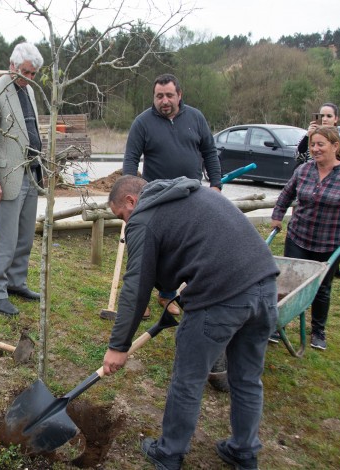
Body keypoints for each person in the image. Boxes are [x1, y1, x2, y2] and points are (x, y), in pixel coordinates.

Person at [102, 175, 279, 470]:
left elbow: (136, 287)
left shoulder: (144, 217)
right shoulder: (189, 193)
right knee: (246, 378)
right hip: (265, 285)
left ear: (131, 201)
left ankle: (169, 453)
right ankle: (244, 451)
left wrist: (118, 346)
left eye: (121, 215)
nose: (125, 224)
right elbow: (205, 246)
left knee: (188, 379)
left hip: (222, 295)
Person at [271, 126, 340, 351]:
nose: (315, 149)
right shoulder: (304, 170)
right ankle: (278, 324)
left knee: (321, 288)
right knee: (291, 284)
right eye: (312, 145)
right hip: (298, 237)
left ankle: (318, 331)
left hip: (330, 243)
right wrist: (277, 216)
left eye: (320, 144)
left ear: (335, 146)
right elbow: (286, 194)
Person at [122, 73, 222, 318]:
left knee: (180, 249)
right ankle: (139, 297)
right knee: (146, 249)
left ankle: (167, 295)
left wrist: (216, 185)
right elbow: (130, 160)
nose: (164, 101)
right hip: (156, 197)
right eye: (159, 96)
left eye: (168, 95)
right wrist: (130, 192)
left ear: (179, 95)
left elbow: (210, 152)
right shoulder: (143, 122)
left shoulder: (196, 118)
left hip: (190, 196)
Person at [0, 42, 44, 316]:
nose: (29, 79)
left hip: (31, 171)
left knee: (25, 235)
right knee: (5, 237)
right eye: (26, 72)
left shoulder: (28, 92)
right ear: (12, 65)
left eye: (34, 74)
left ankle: (16, 282)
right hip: (7, 177)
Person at [295, 102, 340, 279]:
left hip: (334, 186)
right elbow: (299, 157)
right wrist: (308, 137)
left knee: (333, 225)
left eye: (329, 116)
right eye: (322, 116)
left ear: (336, 119)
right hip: (308, 183)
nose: (325, 119)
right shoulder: (309, 136)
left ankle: (333, 266)